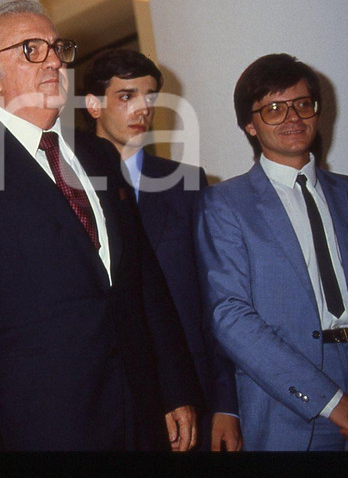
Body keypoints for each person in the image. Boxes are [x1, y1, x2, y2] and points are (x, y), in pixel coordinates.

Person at [0, 0, 201, 451]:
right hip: (36, 424)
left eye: (57, 48)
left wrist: (174, 387)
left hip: (136, 411)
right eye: (30, 49)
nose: (53, 61)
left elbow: (142, 281)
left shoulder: (97, 155)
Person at [196, 53, 348, 451]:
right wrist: (330, 401)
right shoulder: (225, 204)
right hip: (284, 400)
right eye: (273, 109)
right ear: (249, 124)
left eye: (302, 104)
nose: (293, 118)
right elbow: (231, 317)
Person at [83, 48, 241, 451]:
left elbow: (215, 299)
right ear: (93, 105)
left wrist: (227, 403)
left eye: (150, 97)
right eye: (126, 96)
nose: (142, 109)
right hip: (105, 396)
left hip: (192, 390)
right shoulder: (65, 188)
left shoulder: (187, 184)